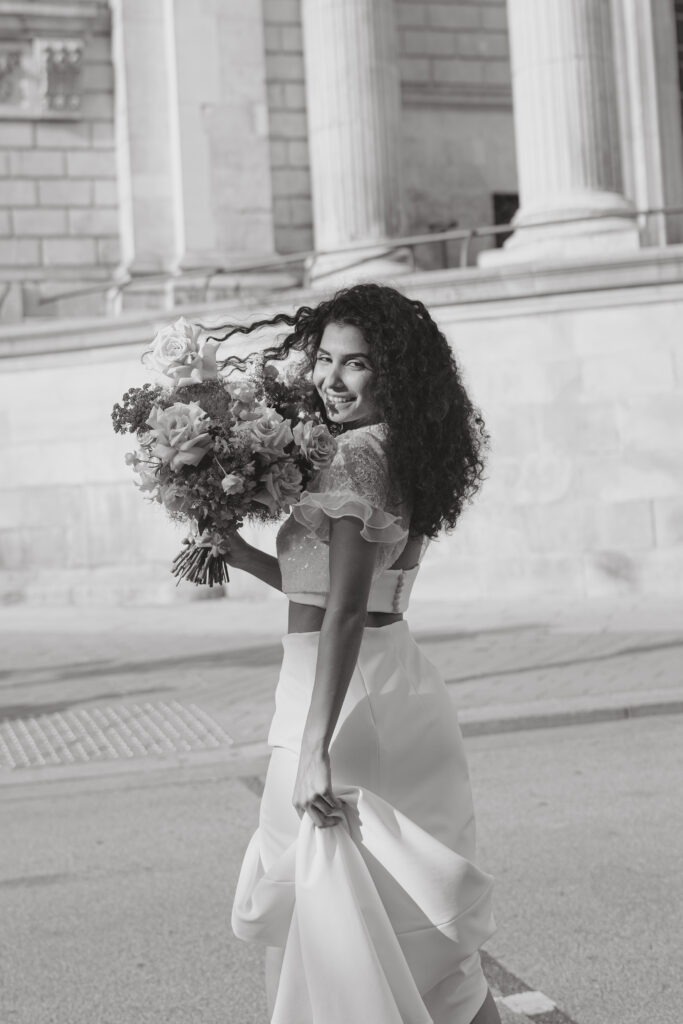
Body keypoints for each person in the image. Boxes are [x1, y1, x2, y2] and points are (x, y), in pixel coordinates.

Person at [222, 283, 501, 1024]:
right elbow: (335, 587)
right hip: (393, 683)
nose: (330, 379)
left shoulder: (350, 458)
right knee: (423, 950)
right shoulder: (401, 447)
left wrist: (314, 747)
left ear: (392, 374)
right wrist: (239, 554)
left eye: (356, 365)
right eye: (323, 359)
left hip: (343, 703)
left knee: (337, 928)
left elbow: (343, 610)